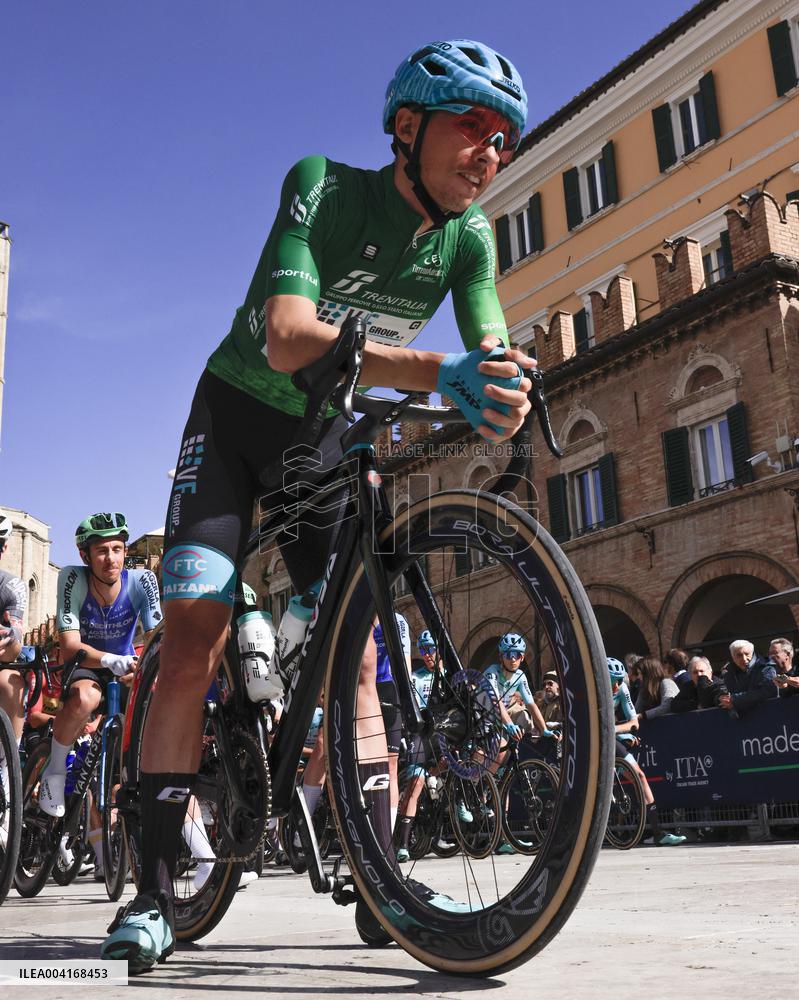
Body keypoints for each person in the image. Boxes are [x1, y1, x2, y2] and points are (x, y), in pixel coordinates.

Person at [102, 38, 533, 970]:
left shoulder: (469, 241)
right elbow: (290, 337)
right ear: (407, 127)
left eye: (503, 139)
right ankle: (150, 892)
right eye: (471, 127)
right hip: (234, 420)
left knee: (358, 648)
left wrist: (499, 385)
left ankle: (377, 866)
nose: (488, 153)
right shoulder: (326, 188)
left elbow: (486, 343)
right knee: (191, 639)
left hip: (318, 440)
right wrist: (441, 370)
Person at [608, 657, 685, 847]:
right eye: (613, 681)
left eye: (620, 680)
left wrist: (615, 731)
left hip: (609, 736)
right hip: (592, 739)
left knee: (640, 776)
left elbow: (633, 722)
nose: (617, 685)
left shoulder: (622, 689)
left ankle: (658, 833)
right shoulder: (592, 693)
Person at [395, 630, 455, 863]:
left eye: (431, 649)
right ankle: (402, 843)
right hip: (422, 736)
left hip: (443, 735)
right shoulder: (416, 677)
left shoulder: (450, 676)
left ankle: (446, 823)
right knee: (416, 783)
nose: (427, 654)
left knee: (453, 769)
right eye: (423, 650)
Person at [0, 514, 27, 851]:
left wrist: (10, 639)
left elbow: (17, 641)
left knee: (13, 683)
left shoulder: (11, 586)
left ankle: (6, 777)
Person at [719, 639, 777, 717]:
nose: (744, 658)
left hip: (768, 715)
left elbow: (769, 691)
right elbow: (724, 692)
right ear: (733, 657)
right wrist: (722, 699)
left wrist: (735, 700)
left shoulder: (766, 668)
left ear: (752, 653)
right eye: (739, 655)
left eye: (747, 654)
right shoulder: (728, 672)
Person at [634, 657, 679, 723]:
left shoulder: (666, 682)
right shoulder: (644, 689)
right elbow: (636, 711)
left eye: (639, 673)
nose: (638, 676)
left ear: (648, 674)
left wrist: (643, 715)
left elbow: (667, 706)